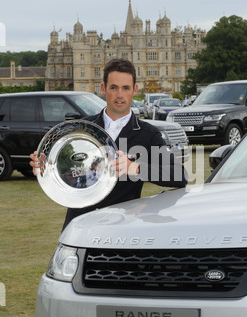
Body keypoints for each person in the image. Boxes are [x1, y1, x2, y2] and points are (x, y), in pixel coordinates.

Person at [30, 59, 187, 230]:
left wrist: (136, 168)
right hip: (80, 226)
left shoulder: (148, 134)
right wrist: (46, 166)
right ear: (103, 89)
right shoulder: (80, 129)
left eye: (125, 88)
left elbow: (180, 175)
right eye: (114, 87)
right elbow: (65, 171)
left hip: (122, 230)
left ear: (134, 90)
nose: (120, 95)